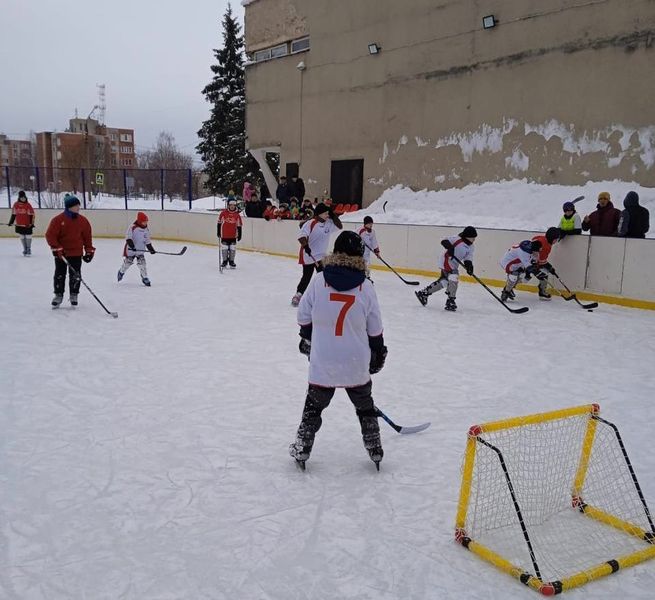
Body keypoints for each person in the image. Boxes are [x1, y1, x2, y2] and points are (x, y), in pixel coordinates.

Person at [290, 230, 387, 470]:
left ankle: (302, 447)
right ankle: (374, 447)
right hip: (356, 361)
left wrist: (308, 338)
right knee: (365, 407)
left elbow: (303, 316)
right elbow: (375, 329)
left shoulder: (319, 280)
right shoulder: (366, 286)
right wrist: (379, 353)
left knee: (313, 408)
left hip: (324, 361)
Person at [45, 194, 95, 307]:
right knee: (59, 274)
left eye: (79, 205)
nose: (78, 207)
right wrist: (56, 247)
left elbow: (87, 237)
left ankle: (74, 294)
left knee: (75, 275)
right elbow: (50, 235)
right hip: (61, 253)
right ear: (69, 207)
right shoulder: (58, 220)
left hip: (76, 253)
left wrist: (89, 250)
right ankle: (58, 295)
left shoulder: (83, 221)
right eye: (76, 205)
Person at [291, 203, 343, 306]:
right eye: (325, 213)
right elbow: (302, 237)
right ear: (319, 214)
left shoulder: (329, 223)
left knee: (324, 276)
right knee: (307, 276)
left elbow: (340, 226)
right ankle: (298, 294)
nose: (327, 215)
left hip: (321, 256)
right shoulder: (310, 223)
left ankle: (325, 295)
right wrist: (306, 247)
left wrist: (333, 215)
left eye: (328, 213)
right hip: (309, 256)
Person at [415, 226, 477, 312]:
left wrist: (469, 266)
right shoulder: (457, 239)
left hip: (454, 264)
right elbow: (444, 240)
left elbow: (468, 258)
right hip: (446, 260)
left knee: (444, 282)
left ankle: (424, 293)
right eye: (472, 237)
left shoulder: (471, 247)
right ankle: (451, 300)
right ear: (467, 236)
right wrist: (450, 247)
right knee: (454, 276)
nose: (474, 239)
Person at [117, 211, 155, 286]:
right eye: (144, 221)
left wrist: (151, 249)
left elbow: (147, 241)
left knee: (142, 264)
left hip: (140, 250)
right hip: (130, 250)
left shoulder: (146, 229)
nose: (146, 223)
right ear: (140, 221)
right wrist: (132, 246)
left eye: (146, 221)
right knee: (128, 262)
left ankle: (145, 277)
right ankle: (121, 272)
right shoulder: (132, 227)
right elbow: (128, 238)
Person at [530, 227, 562, 300]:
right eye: (556, 239)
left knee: (544, 275)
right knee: (522, 277)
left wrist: (549, 267)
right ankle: (507, 290)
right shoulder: (544, 243)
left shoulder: (546, 242)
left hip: (535, 263)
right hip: (527, 263)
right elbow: (534, 242)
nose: (556, 241)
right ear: (552, 238)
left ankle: (542, 292)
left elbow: (542, 260)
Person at [7, 190, 35, 256]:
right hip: (19, 224)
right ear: (19, 198)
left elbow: (32, 215)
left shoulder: (28, 205)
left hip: (27, 225)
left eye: (24, 197)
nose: (23, 199)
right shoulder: (15, 205)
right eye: (21, 197)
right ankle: (25, 249)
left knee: (28, 236)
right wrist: (10, 222)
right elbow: (13, 214)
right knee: (22, 236)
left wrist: (31, 223)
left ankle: (28, 249)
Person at [218, 198, 243, 268]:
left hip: (233, 235)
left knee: (232, 248)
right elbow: (219, 223)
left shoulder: (237, 215)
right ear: (228, 205)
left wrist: (240, 234)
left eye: (234, 205)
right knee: (224, 248)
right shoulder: (223, 213)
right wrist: (218, 232)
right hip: (225, 235)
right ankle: (225, 261)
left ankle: (231, 261)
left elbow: (239, 226)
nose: (232, 206)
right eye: (231, 205)